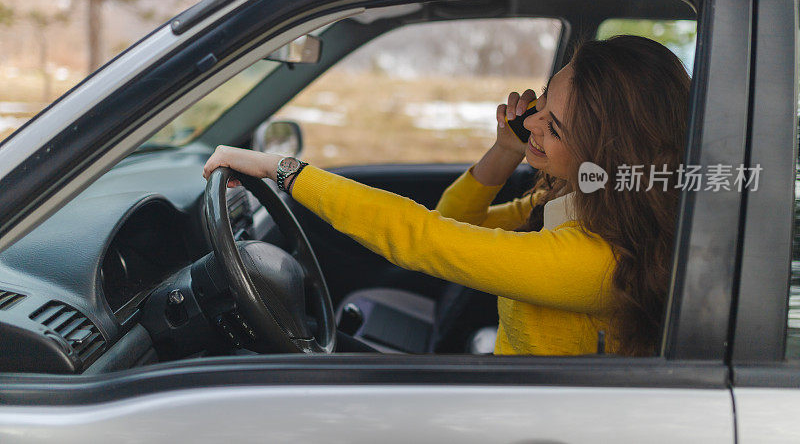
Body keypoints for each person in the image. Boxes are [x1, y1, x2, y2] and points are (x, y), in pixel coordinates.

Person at [203, 35, 690, 357]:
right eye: (543, 100)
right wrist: (505, 150)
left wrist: (284, 170)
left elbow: (425, 238)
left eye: (555, 127)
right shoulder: (578, 199)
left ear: (602, 153)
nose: (533, 122)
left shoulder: (595, 259)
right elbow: (455, 219)